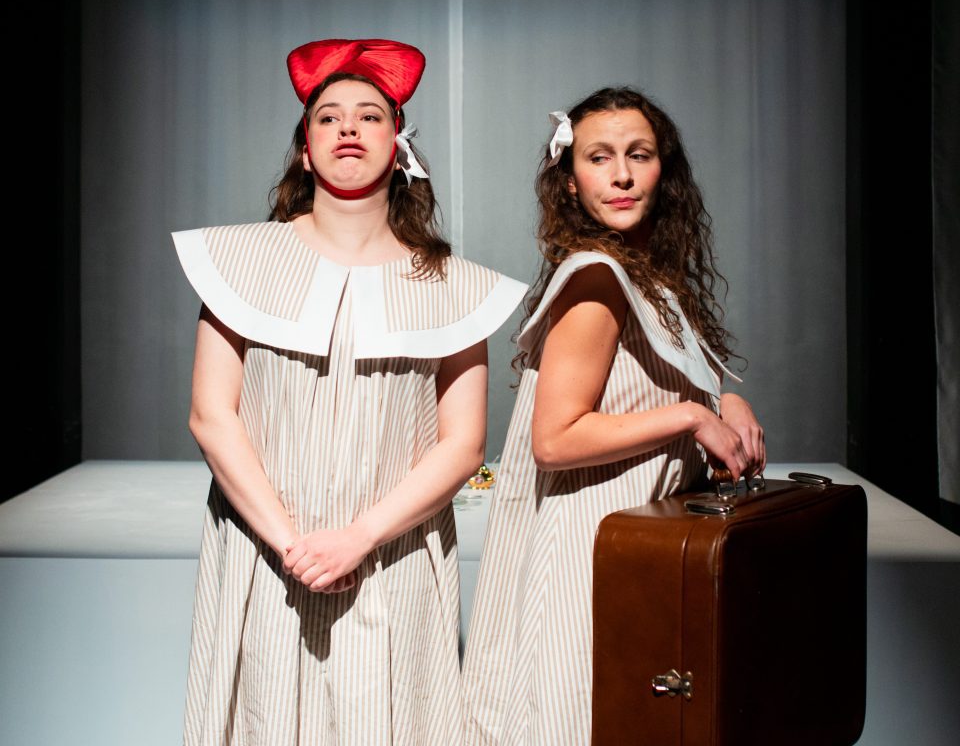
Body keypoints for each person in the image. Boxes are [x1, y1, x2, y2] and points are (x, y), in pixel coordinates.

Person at [173, 38, 526, 746]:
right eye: (328, 117)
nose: (348, 129)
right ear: (305, 150)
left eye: (370, 116)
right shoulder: (238, 260)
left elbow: (463, 445)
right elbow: (211, 415)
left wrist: (357, 538)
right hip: (265, 555)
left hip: (393, 558)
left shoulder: (454, 286)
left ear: (399, 144)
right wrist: (293, 544)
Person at [461, 86, 765, 745]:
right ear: (570, 182)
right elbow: (555, 438)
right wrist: (692, 416)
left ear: (664, 170)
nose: (622, 175)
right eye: (599, 157)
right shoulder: (598, 276)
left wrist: (725, 402)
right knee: (576, 715)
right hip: (585, 552)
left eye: (639, 155)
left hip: (631, 548)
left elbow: (652, 387)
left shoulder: (646, 275)